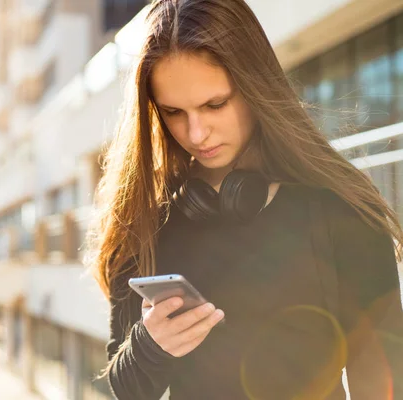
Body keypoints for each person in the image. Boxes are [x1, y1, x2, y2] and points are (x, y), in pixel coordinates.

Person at [85, 0, 403, 399]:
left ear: (256, 86)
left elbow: (384, 379)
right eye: (173, 112)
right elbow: (124, 388)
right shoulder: (146, 217)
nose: (196, 133)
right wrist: (150, 346)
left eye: (214, 104)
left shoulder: (340, 206)